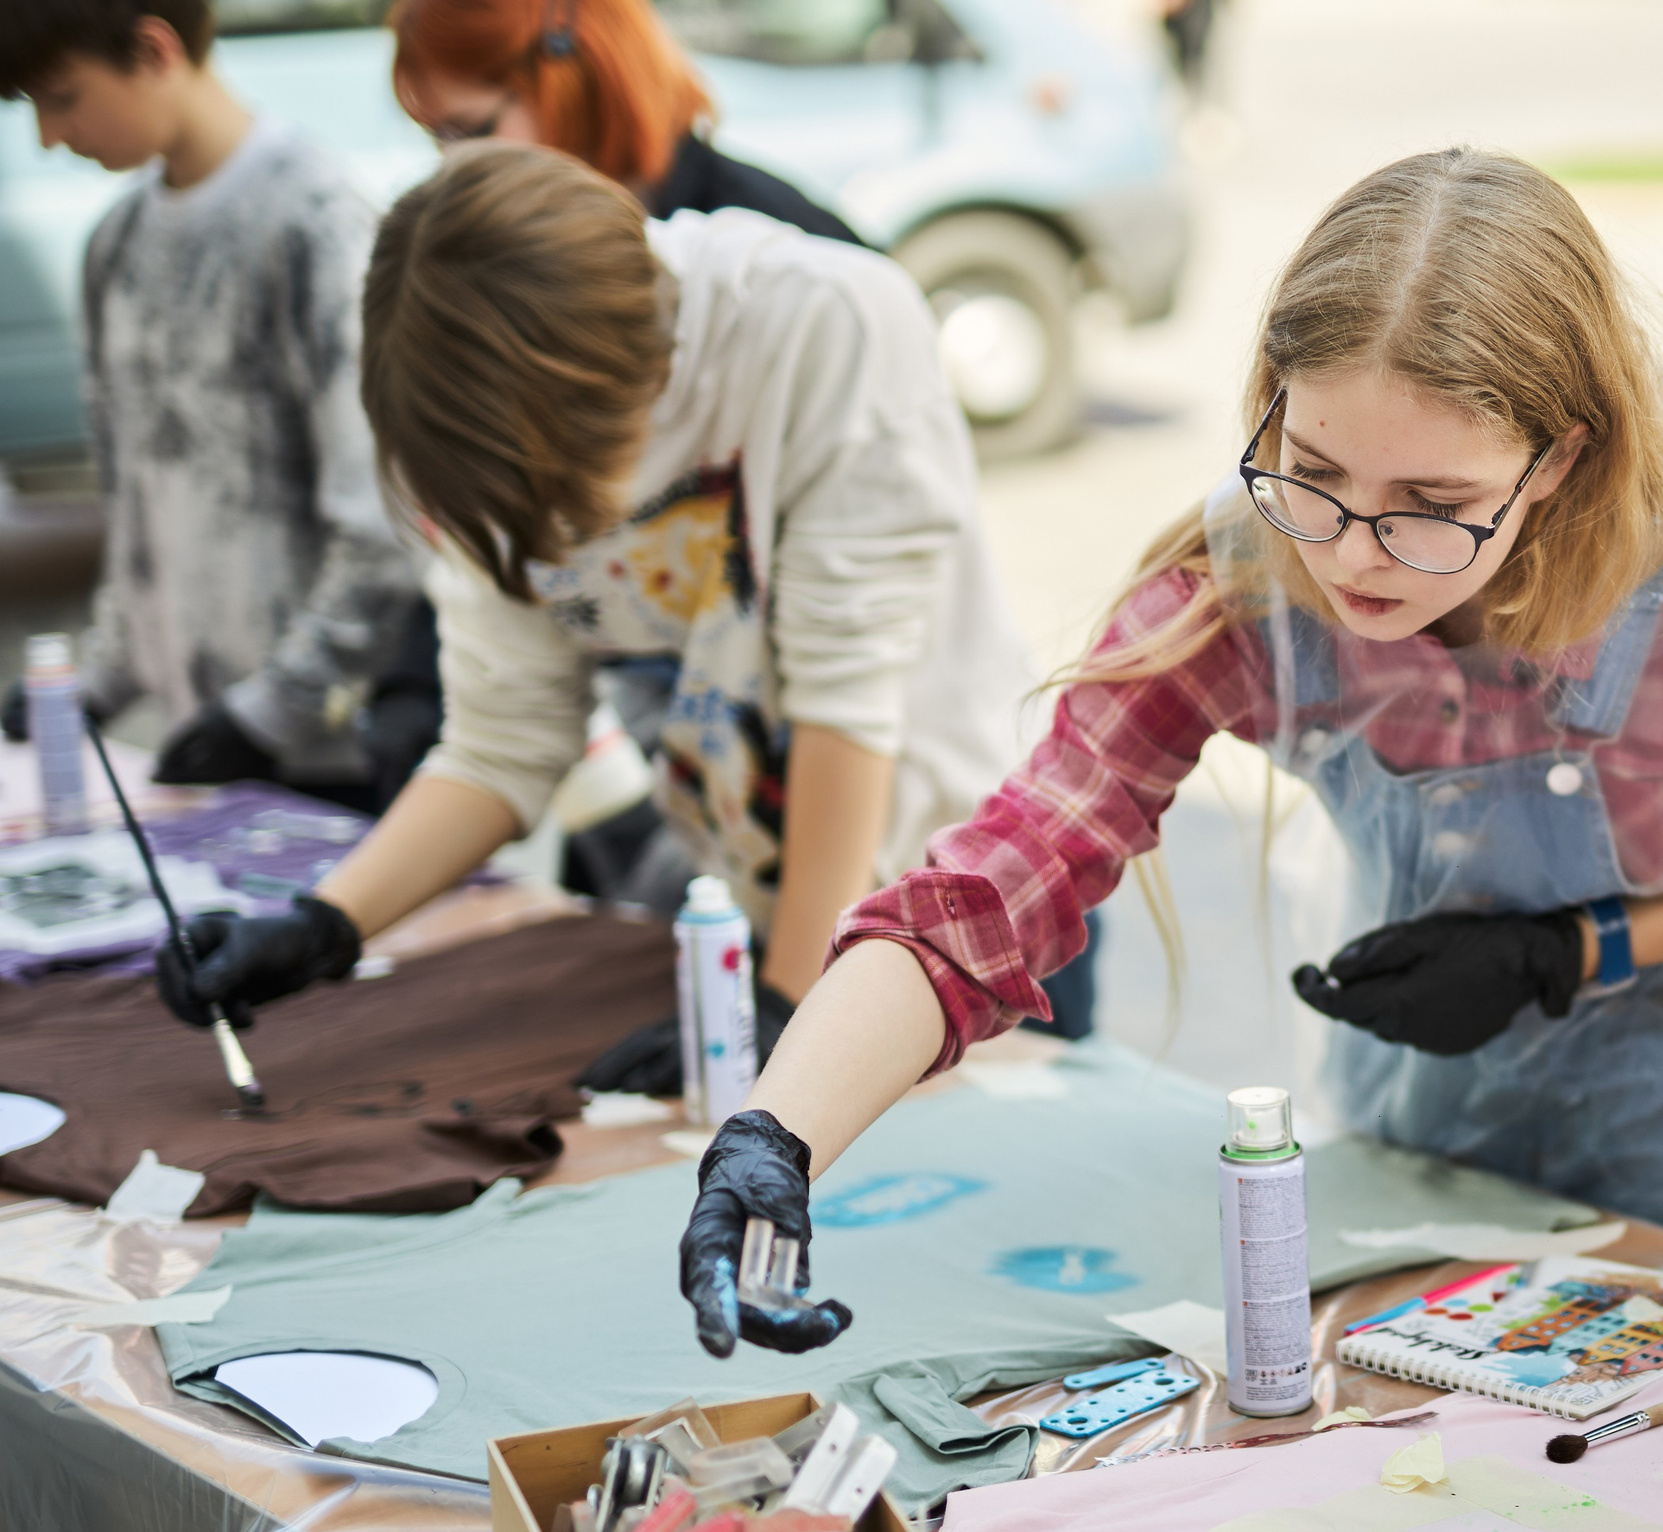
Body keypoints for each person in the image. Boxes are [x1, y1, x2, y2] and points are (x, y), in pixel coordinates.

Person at [669, 147, 1663, 1357]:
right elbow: (998, 886)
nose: (1356, 554)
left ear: (1560, 458)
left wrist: (1569, 950)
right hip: (1419, 1129)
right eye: (1312, 473)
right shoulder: (1240, 587)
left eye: (1433, 508)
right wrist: (777, 1132)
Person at [149, 143, 1035, 1093]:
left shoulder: (827, 323)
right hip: (774, 931)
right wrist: (323, 926)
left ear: (622, 384)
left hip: (959, 909)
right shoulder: (481, 426)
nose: (560, 541)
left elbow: (846, 702)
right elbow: (503, 741)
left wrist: (794, 1006)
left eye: (565, 501)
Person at [0, 0, 430, 809]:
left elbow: (383, 516)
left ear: (154, 50)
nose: (50, 138)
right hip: (206, 744)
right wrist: (97, 681)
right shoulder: (116, 242)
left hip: (331, 751)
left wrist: (274, 707)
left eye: (61, 97)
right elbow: (138, 509)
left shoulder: (316, 220)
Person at [389, 0, 865, 247]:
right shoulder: (502, 243)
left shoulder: (775, 238)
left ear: (575, 76)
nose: (452, 162)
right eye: (436, 135)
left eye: (471, 130)